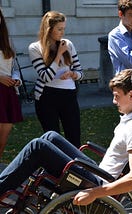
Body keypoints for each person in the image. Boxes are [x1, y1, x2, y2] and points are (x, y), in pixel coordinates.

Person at [0, 69, 132, 206]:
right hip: (98, 172)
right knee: (50, 136)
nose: (114, 101)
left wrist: (94, 193)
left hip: (96, 183)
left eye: (117, 96)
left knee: (38, 146)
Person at [28, 11, 84, 148]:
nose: (62, 32)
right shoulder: (35, 48)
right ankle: (55, 169)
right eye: (59, 29)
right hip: (47, 96)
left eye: (64, 28)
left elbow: (81, 72)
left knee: (74, 137)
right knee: (53, 139)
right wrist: (58, 54)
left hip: (69, 95)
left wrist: (73, 74)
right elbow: (46, 77)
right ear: (49, 29)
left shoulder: (68, 44)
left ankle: (75, 168)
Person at [0, 8, 23, 158]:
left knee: (4, 134)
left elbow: (13, 67)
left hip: (7, 91)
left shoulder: (6, 39)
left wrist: (16, 79)